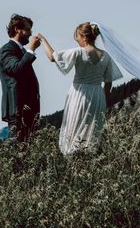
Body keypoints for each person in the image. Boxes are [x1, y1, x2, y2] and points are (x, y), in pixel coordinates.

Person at [38, 23, 123, 155]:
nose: (76, 39)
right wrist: (103, 100)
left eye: (77, 36)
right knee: (92, 130)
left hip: (79, 94)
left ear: (83, 36)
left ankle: (72, 157)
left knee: (74, 125)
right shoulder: (106, 56)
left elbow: (53, 57)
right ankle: (88, 157)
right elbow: (108, 82)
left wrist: (43, 40)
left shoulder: (78, 52)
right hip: (97, 95)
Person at [0, 14, 41, 142]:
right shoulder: (7, 50)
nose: (30, 33)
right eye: (27, 30)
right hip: (17, 109)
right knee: (17, 149)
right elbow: (16, 69)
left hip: (28, 109)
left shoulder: (20, 51)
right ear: (17, 29)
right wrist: (31, 49)